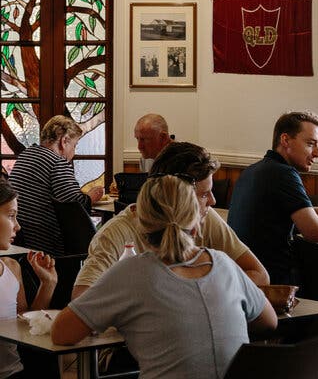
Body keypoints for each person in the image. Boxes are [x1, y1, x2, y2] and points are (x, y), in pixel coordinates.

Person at [52, 175, 277, 379]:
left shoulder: (131, 272)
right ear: (197, 225)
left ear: (140, 224)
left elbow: (61, 332)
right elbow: (269, 321)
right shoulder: (225, 264)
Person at [72, 142, 269, 298]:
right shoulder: (117, 233)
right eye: (203, 195)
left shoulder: (207, 219)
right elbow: (81, 297)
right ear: (175, 194)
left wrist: (199, 297)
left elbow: (260, 275)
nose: (213, 200)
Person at [228, 111, 318, 284]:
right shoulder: (283, 173)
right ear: (285, 140)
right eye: (311, 144)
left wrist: (309, 211)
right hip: (274, 284)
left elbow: (267, 218)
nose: (317, 153)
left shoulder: (252, 171)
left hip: (241, 279)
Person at [8, 115, 104, 256]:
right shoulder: (56, 162)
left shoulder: (26, 155)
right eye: (74, 145)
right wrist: (91, 197)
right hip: (43, 243)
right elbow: (74, 206)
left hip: (18, 239)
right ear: (64, 141)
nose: (74, 152)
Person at [0, 180, 57, 379]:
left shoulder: (11, 267)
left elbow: (23, 327)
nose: (18, 226)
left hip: (13, 373)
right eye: (11, 216)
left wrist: (47, 284)